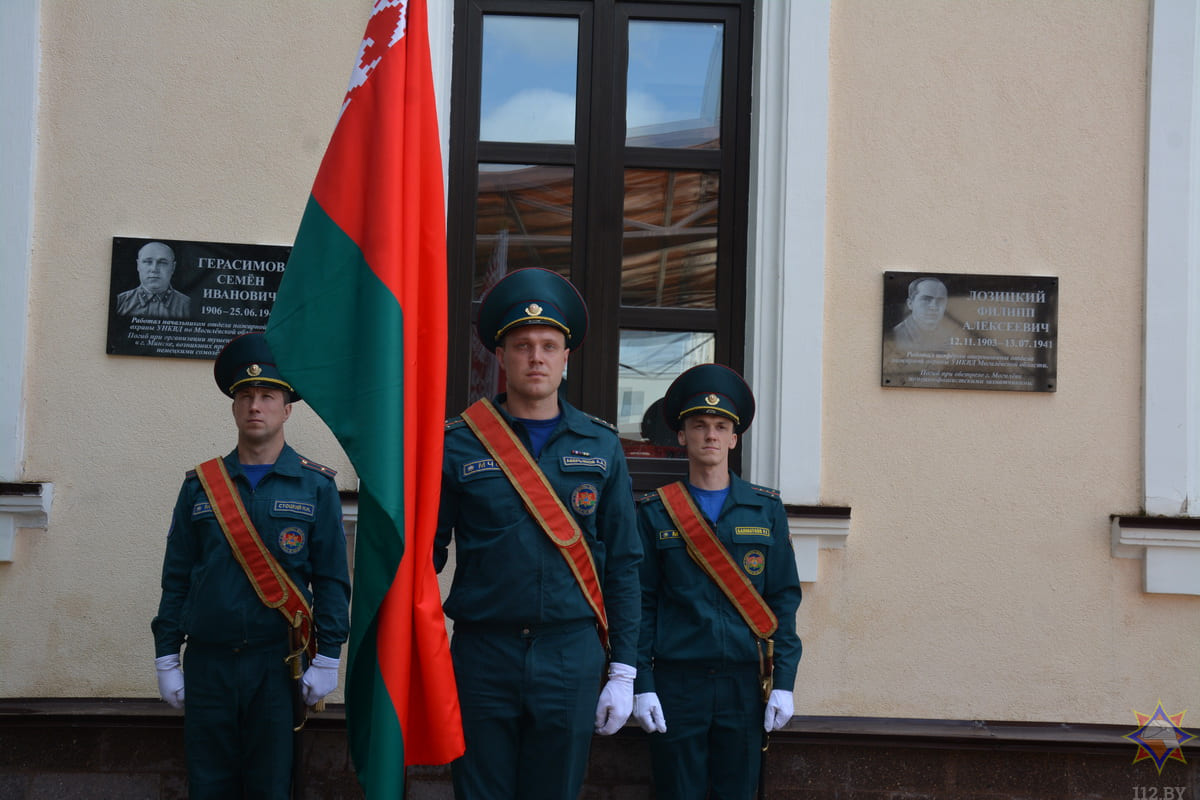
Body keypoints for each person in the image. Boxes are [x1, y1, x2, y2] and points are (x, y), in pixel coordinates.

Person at [435, 267, 643, 800]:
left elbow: (623, 562)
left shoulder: (600, 445)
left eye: (549, 345)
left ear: (566, 357)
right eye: (522, 344)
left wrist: (622, 668)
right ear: (500, 356)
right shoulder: (457, 445)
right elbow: (422, 557)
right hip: (484, 651)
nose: (536, 357)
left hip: (570, 654)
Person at [151, 332, 351, 799]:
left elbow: (332, 581)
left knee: (270, 785)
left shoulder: (316, 486)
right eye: (245, 395)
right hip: (209, 662)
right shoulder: (200, 487)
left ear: (287, 409)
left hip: (277, 665)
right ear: (234, 406)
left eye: (267, 396)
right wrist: (166, 654)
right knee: (209, 784)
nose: (255, 405)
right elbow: (176, 576)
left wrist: (327, 658)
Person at [631, 363, 802, 800]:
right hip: (677, 683)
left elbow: (783, 599)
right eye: (699, 425)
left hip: (744, 685)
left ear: (734, 438)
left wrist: (784, 680)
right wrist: (643, 686)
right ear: (682, 436)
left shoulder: (765, 510)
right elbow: (642, 604)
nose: (710, 434)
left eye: (720, 426)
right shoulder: (655, 512)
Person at [116, 240, 192, 318]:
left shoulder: (188, 305)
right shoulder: (120, 302)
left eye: (162, 262)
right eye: (148, 262)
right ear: (138, 265)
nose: (154, 269)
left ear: (173, 267)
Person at [891, 276, 954, 351]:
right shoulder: (895, 335)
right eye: (926, 299)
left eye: (940, 301)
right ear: (910, 304)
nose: (934, 307)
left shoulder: (950, 336)